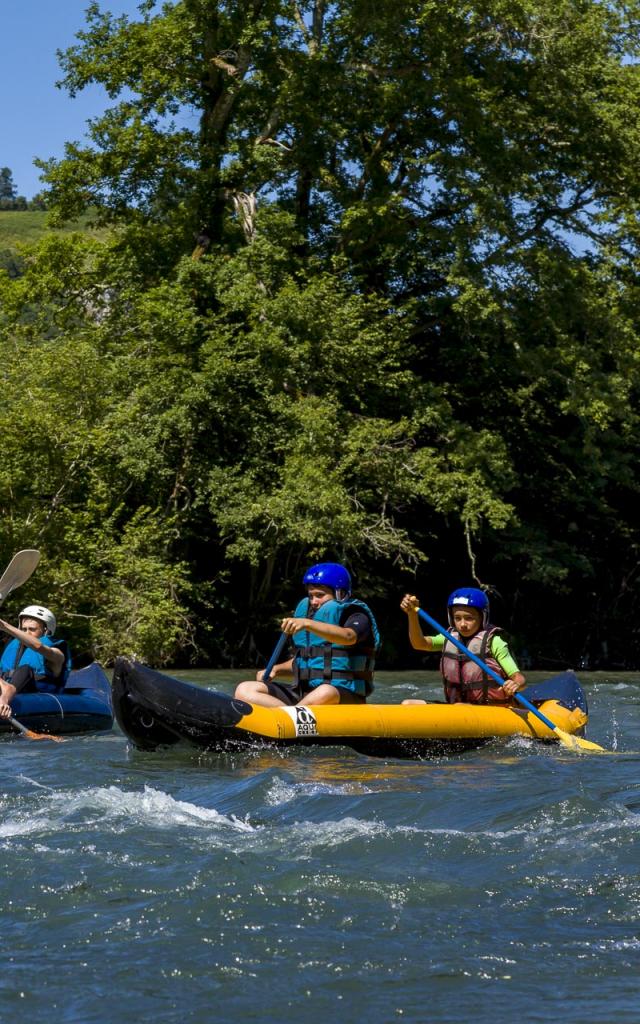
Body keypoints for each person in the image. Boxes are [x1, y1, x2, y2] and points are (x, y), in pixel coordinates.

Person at [235, 563, 380, 708]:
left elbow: (349, 637)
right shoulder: (310, 616)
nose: (314, 601)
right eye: (311, 596)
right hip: (305, 695)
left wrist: (307, 624)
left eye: (320, 595)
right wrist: (276, 669)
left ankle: (289, 719)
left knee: (325, 691)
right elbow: (306, 661)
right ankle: (287, 719)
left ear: (340, 594)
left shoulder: (356, 615)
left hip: (344, 695)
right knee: (245, 689)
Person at [400, 588, 525, 705]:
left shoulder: (494, 641)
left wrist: (515, 684)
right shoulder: (449, 637)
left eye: (469, 618)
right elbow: (419, 644)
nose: (462, 624)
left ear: (483, 617)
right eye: (457, 618)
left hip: (491, 709)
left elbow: (519, 678)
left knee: (461, 706)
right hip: (458, 709)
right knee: (408, 704)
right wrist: (412, 615)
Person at [0, 605, 71, 719]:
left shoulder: (57, 654)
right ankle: (5, 692)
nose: (26, 633)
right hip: (5, 689)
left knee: (25, 669)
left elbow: (38, 646)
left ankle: (5, 696)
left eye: (32, 629)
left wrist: (5, 626)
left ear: (46, 631)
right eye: (23, 629)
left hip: (38, 696)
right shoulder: (15, 647)